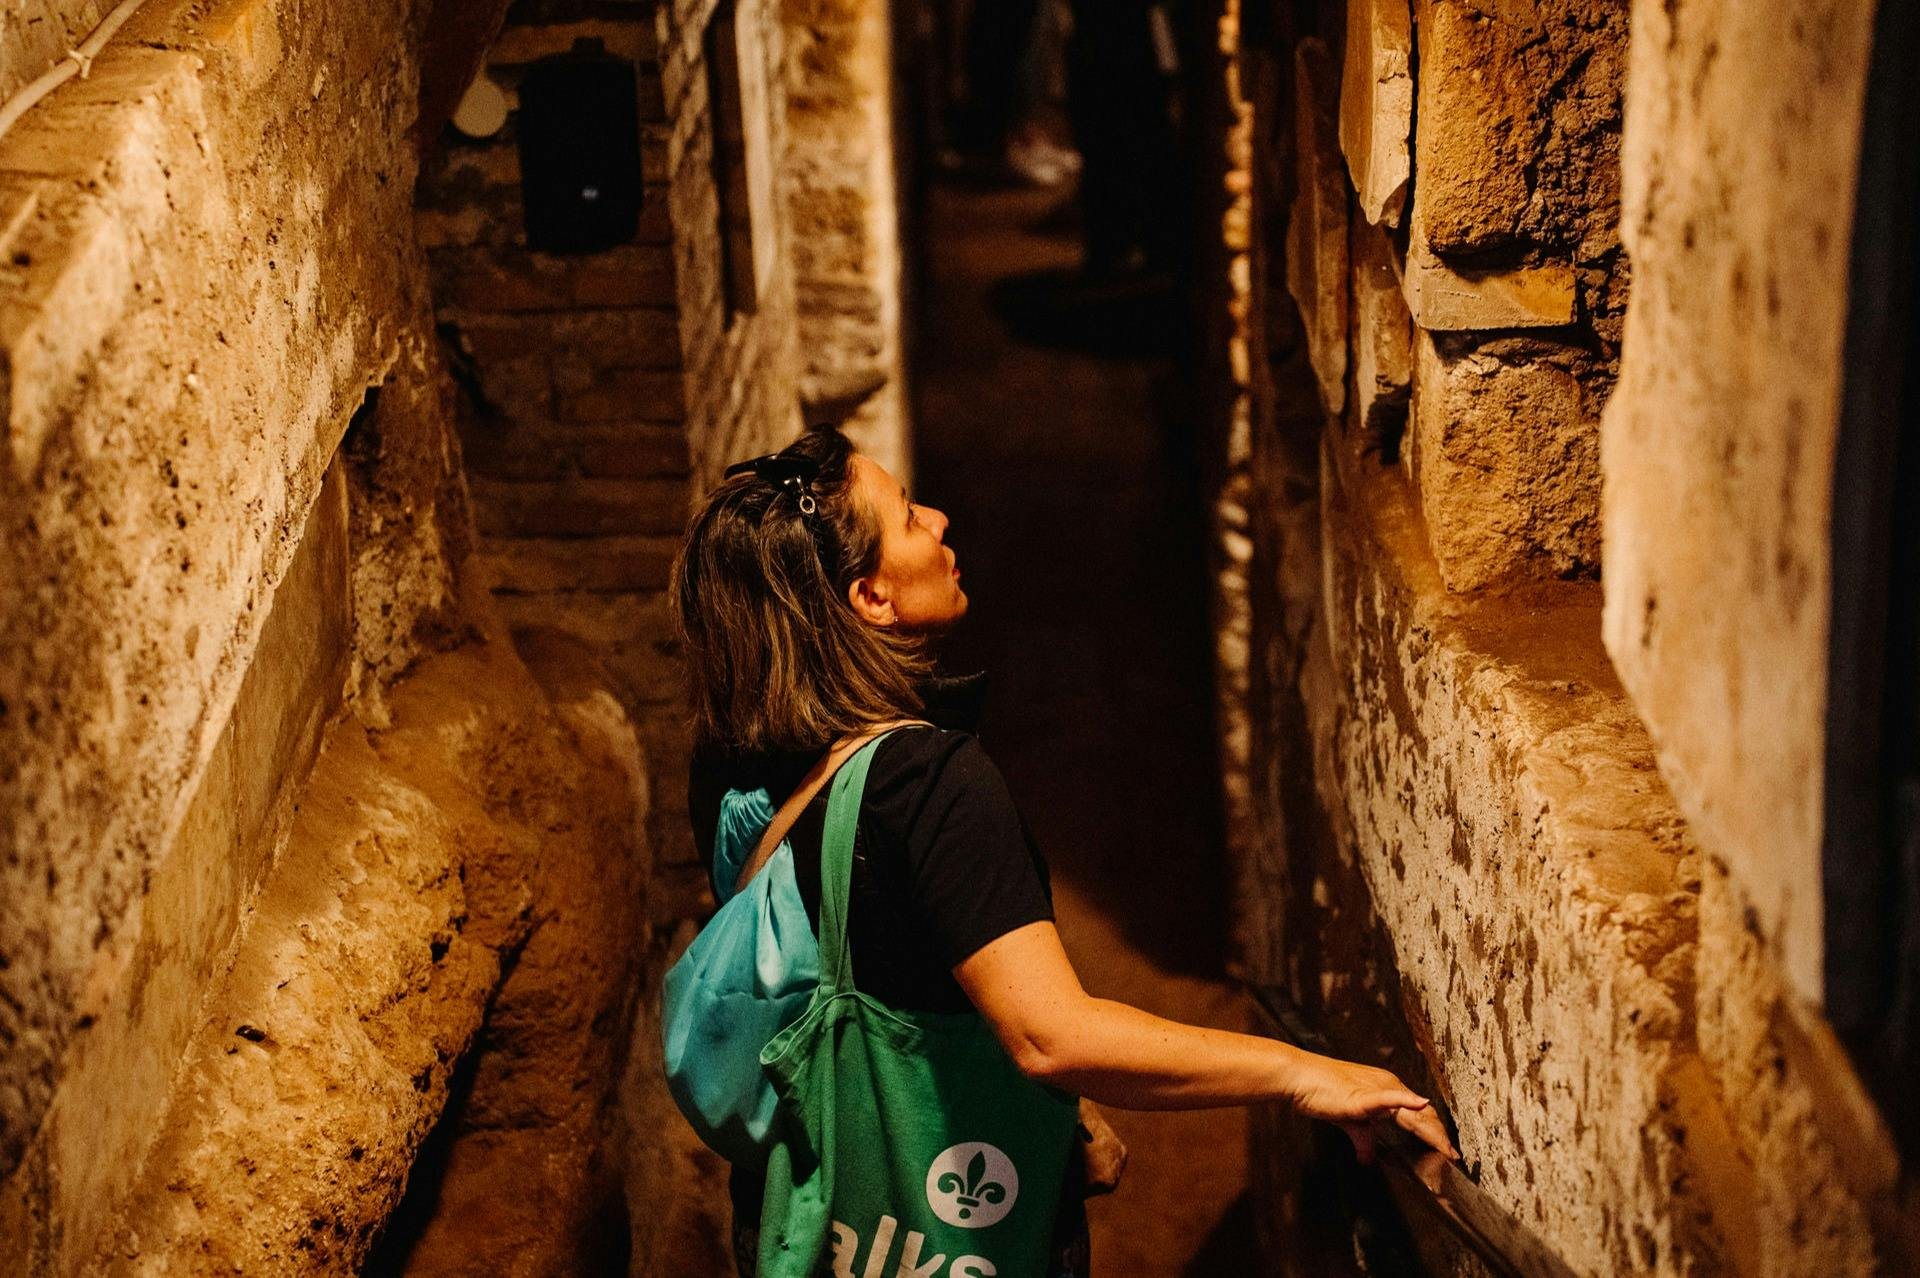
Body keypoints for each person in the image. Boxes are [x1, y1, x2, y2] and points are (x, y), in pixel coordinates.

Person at [673, 426, 1458, 1277]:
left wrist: (1045, 1116)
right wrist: (1305, 1073)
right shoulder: (930, 785)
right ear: (871, 598)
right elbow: (1051, 1035)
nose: (936, 521)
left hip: (800, 1221)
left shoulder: (730, 767)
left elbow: (850, 962)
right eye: (906, 517)